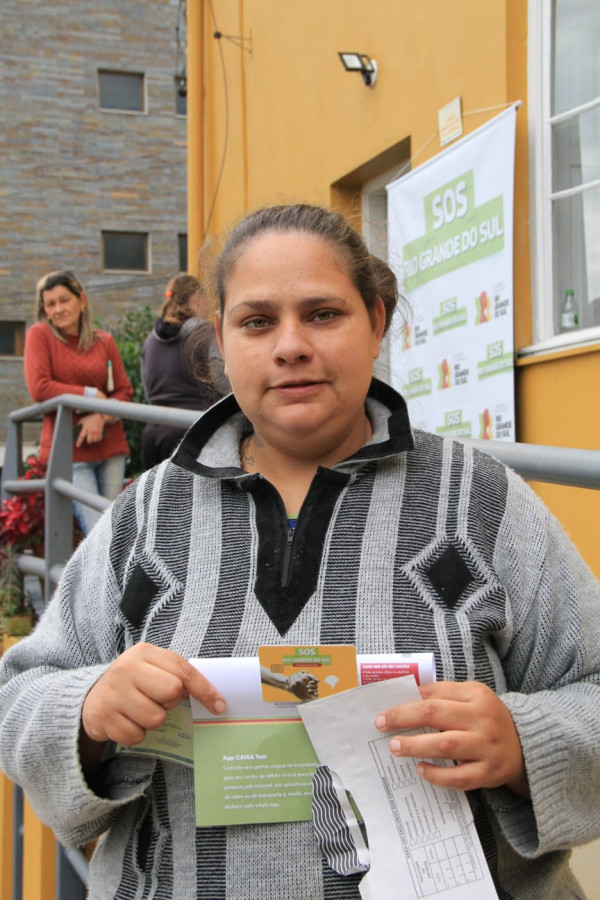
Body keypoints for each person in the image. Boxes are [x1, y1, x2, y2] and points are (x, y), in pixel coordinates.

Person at [1, 204, 599, 900]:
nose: (290, 346)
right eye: (257, 321)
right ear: (220, 339)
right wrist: (87, 713)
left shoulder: (480, 503)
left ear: (376, 322)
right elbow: (20, 693)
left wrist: (524, 741)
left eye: (322, 314)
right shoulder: (145, 516)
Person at [23, 270, 133, 535]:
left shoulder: (103, 341)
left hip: (110, 447)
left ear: (81, 300)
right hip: (69, 453)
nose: (58, 309)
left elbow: (124, 392)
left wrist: (100, 416)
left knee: (115, 530)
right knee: (98, 531)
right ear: (45, 310)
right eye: (51, 304)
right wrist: (91, 395)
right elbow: (40, 387)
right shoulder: (40, 335)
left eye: (64, 300)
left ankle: (108, 578)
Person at [140, 272, 230, 468]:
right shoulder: (205, 334)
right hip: (193, 433)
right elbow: (223, 380)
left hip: (153, 435)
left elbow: (148, 389)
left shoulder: (150, 341)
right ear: (195, 298)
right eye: (205, 297)